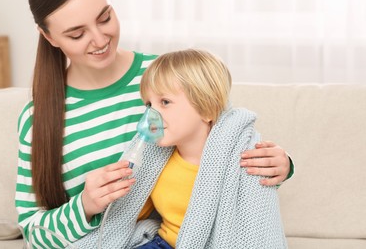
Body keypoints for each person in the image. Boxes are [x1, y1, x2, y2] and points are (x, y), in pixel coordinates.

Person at [15, 0, 292, 247]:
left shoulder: (162, 76)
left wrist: (278, 166)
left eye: (105, 18)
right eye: (77, 34)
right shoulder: (38, 119)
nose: (99, 40)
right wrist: (85, 205)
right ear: (49, 36)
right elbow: (33, 233)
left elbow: (227, 143)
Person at [73, 49, 287, 248]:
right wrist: (114, 195)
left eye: (165, 102)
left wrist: (284, 166)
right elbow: (131, 212)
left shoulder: (238, 158)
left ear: (207, 108)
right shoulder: (157, 160)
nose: (151, 115)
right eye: (149, 105)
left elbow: (257, 199)